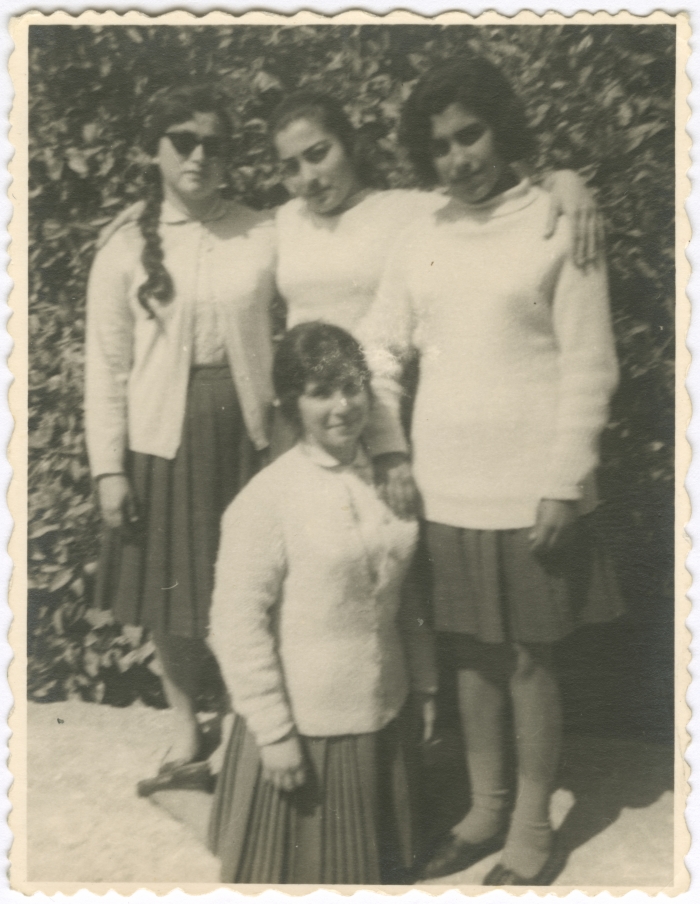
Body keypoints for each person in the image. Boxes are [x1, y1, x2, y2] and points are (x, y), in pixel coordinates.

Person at [360, 56, 622, 886]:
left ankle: (532, 827)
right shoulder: (420, 234)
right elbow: (379, 349)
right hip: (445, 486)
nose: (458, 157)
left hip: (531, 489)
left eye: (470, 135)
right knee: (470, 655)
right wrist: (389, 447)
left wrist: (564, 481)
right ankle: (484, 808)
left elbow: (591, 365)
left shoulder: (558, 222)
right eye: (439, 146)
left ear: (501, 130)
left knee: (529, 662)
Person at [85, 84, 277, 794]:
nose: (198, 156)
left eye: (213, 144)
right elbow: (106, 365)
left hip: (250, 432)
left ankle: (253, 722)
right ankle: (187, 729)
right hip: (163, 436)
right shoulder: (124, 247)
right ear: (155, 150)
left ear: (230, 155)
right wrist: (108, 468)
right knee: (174, 592)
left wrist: (554, 181)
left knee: (252, 585)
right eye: (182, 141)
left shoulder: (264, 229)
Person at [207, 322, 437, 884]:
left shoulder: (388, 482)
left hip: (384, 716)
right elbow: (235, 626)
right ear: (291, 403)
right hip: (305, 729)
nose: (343, 406)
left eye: (353, 387)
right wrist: (274, 734)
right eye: (321, 392)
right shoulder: (267, 499)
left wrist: (425, 683)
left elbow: (405, 596)